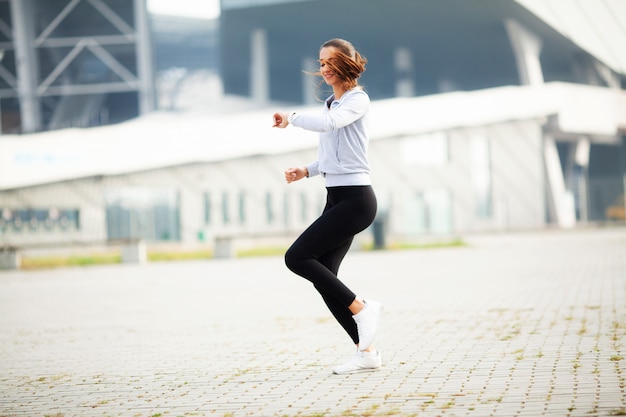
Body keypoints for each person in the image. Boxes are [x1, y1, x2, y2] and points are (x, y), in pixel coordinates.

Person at [272, 38, 383, 375]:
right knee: (325, 276)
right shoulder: (331, 106)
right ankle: (366, 353)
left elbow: (331, 126)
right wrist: (307, 170)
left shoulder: (356, 101)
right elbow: (332, 156)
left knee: (297, 257)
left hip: (356, 200)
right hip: (336, 196)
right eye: (321, 63)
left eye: (330, 62)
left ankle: (362, 308)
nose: (324, 68)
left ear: (347, 64)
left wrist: (291, 118)